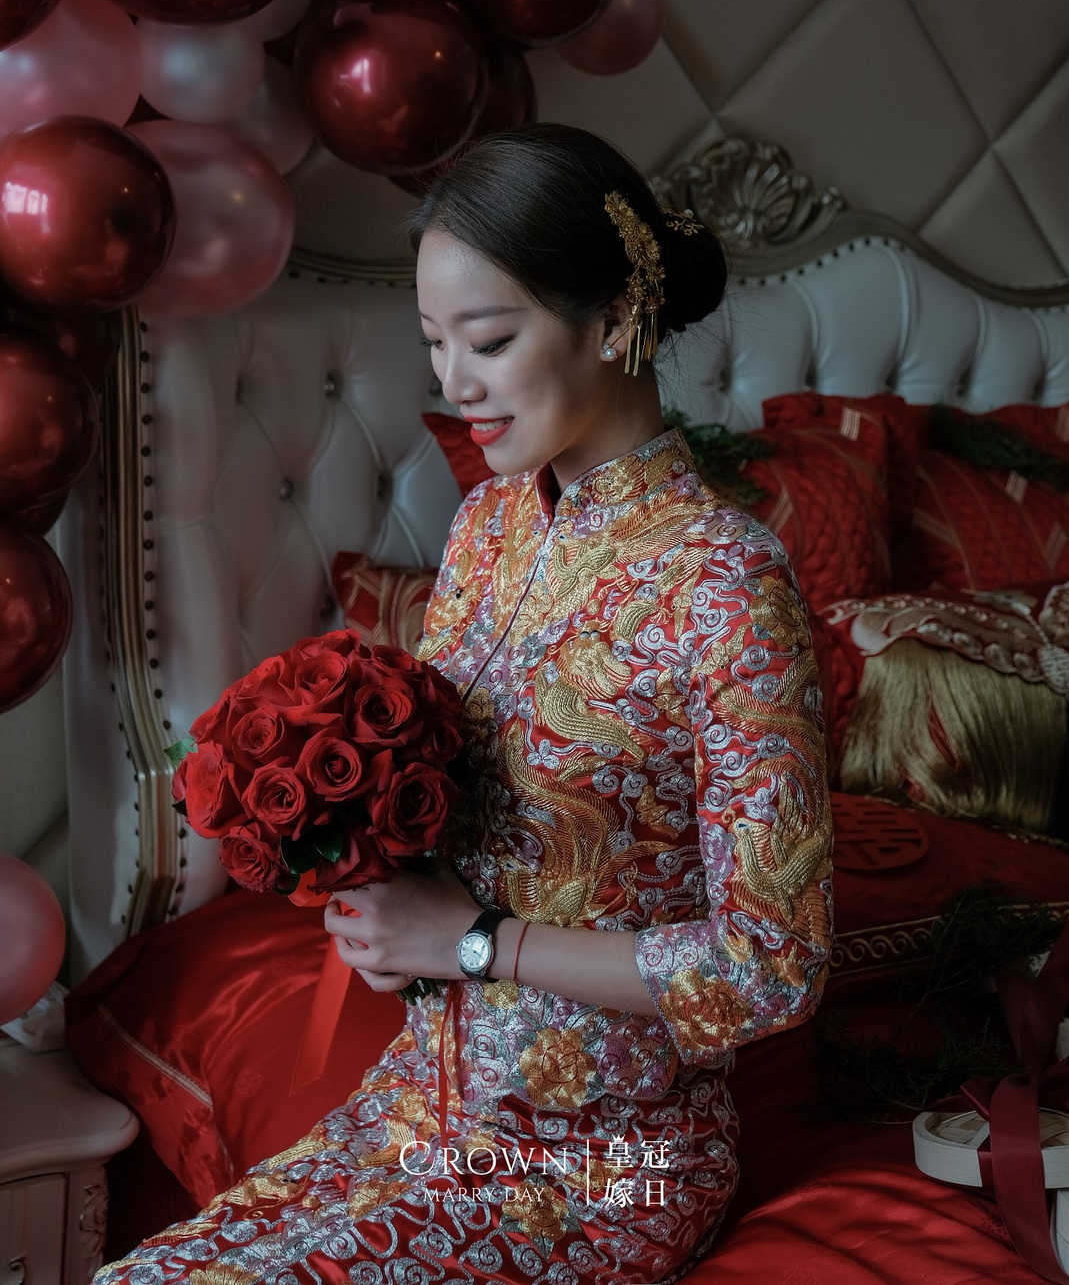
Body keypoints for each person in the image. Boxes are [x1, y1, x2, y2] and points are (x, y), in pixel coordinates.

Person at [95, 123, 832, 1285]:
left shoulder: (725, 582)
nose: (454, 383)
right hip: (420, 1105)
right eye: (435, 343)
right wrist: (378, 892)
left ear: (613, 318)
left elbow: (773, 963)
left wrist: (477, 939)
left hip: (604, 1165)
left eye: (488, 340)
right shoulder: (487, 527)